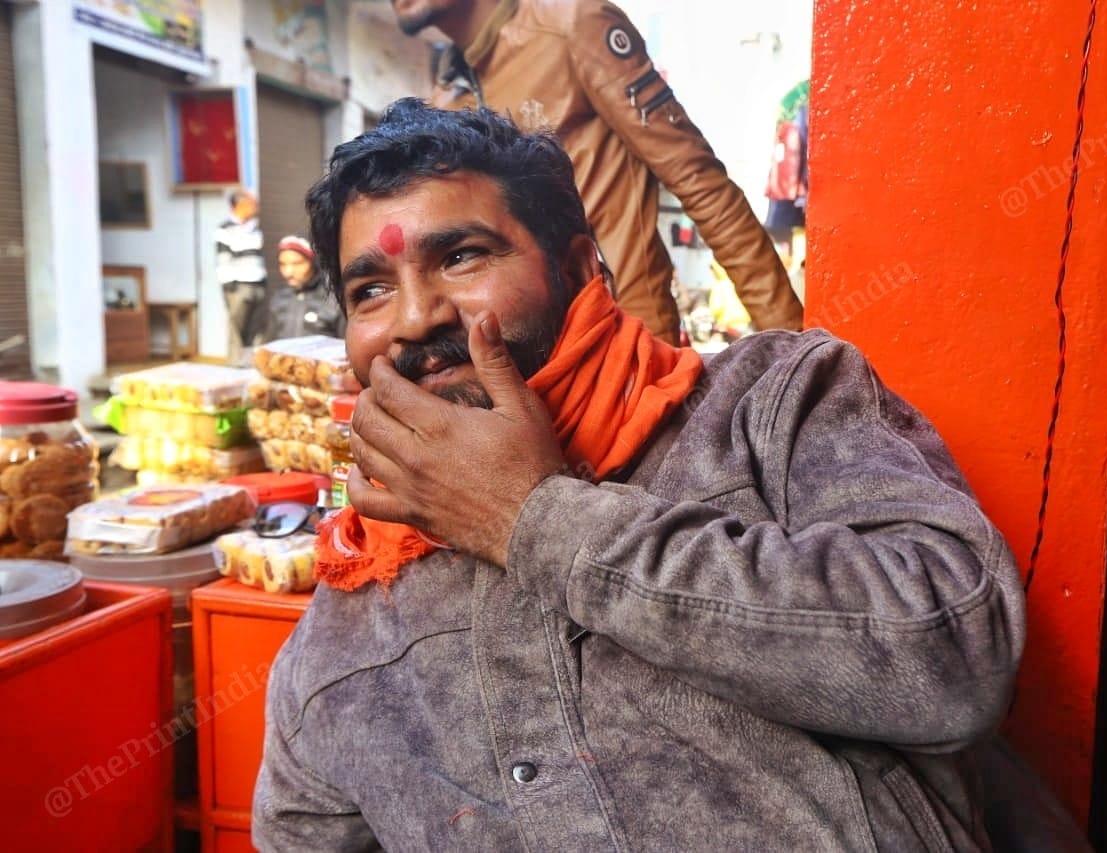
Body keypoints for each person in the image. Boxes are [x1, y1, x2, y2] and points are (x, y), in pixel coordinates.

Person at [252, 102, 1027, 850]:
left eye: (461, 256)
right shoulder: (345, 620)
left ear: (580, 268)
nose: (417, 315)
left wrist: (534, 516)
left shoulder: (768, 403)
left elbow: (957, 652)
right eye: (371, 290)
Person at [389, 0, 804, 345]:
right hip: (525, 373)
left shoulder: (572, 23)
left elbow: (699, 182)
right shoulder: (446, 99)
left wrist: (795, 345)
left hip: (629, 357)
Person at [214, 187, 268, 363]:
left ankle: (251, 366)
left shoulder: (255, 229)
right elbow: (223, 260)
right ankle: (235, 367)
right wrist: (229, 288)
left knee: (256, 329)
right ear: (241, 205)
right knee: (236, 329)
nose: (257, 207)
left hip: (257, 284)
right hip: (238, 287)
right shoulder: (224, 229)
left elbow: (258, 258)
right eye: (254, 203)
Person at [262, 235, 345, 342]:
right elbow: (269, 341)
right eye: (283, 264)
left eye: (297, 264)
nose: (288, 272)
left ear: (313, 262)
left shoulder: (333, 298)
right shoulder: (279, 297)